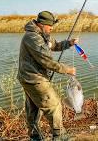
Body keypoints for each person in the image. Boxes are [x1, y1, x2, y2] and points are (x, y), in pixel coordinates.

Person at [17, 11, 78, 140]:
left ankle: (35, 137)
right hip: (34, 78)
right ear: (42, 24)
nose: (52, 28)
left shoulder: (42, 35)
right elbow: (47, 61)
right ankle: (60, 136)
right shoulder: (32, 38)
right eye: (50, 26)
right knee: (54, 106)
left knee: (33, 109)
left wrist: (69, 43)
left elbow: (54, 45)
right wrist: (67, 70)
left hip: (29, 78)